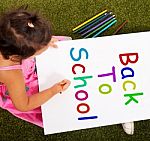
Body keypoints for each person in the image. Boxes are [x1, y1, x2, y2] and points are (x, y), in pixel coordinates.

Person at [0, 6, 71, 128]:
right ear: (22, 56)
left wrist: (44, 42)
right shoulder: (13, 75)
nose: (46, 45)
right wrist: (53, 90)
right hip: (16, 85)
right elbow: (24, 105)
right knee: (57, 108)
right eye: (40, 50)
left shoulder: (10, 39)